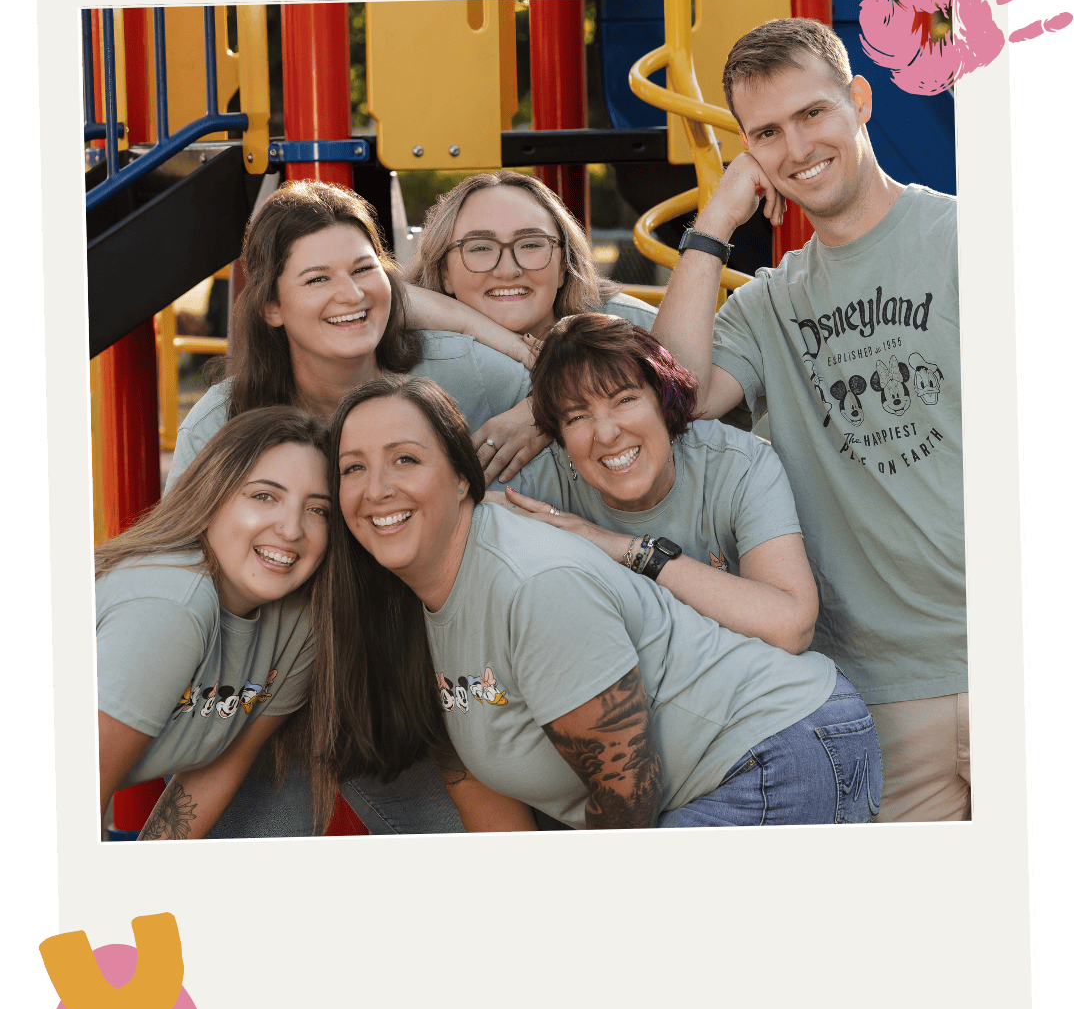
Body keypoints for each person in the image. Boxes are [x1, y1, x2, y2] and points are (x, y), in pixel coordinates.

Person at [307, 376, 882, 833]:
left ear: (463, 477)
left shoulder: (531, 582)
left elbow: (627, 789)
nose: (376, 488)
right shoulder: (402, 594)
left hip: (780, 751)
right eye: (353, 468)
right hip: (695, 784)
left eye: (405, 459)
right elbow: (471, 771)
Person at [650, 17, 967, 823]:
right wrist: (716, 221)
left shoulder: (968, 240)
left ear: (859, 102)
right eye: (767, 133)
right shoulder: (769, 306)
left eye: (813, 114)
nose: (795, 148)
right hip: (885, 688)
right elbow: (669, 395)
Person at [165, 180, 537, 492]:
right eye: (317, 279)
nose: (352, 295)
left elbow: (582, 392)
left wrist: (539, 412)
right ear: (272, 307)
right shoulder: (219, 421)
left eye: (362, 269)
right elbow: (174, 555)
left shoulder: (458, 367)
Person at [496, 313, 817, 656]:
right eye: (577, 417)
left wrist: (624, 548)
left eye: (624, 400)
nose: (606, 434)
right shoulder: (541, 480)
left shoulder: (739, 464)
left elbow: (791, 627)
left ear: (663, 399)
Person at [409, 169, 754, 487]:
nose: (508, 269)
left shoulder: (628, 325)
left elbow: (688, 395)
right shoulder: (429, 355)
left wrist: (548, 409)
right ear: (443, 272)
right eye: (480, 248)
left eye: (530, 244)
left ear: (563, 266)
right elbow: (374, 293)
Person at [96, 407, 331, 839]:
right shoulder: (172, 605)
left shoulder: (300, 622)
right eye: (265, 496)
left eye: (317, 510)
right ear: (212, 495)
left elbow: (220, 768)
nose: (292, 528)